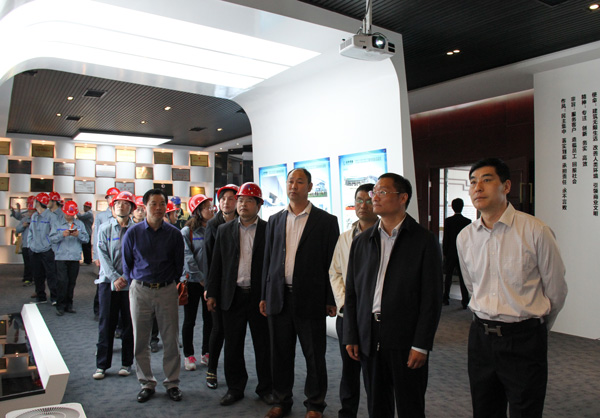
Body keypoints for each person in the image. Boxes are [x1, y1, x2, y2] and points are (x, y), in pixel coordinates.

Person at [457, 158, 568, 418]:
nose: (477, 188)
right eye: (473, 182)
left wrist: (535, 328)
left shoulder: (536, 230)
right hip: (481, 339)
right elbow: (472, 287)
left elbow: (556, 289)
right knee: (484, 410)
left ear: (506, 186)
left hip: (524, 340)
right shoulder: (465, 237)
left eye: (486, 180)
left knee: (525, 410)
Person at [343, 173, 443, 418]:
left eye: (382, 192)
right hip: (369, 335)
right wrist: (352, 334)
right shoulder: (362, 241)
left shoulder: (423, 240)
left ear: (403, 198)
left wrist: (421, 344)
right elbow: (352, 294)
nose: (374, 197)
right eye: (374, 192)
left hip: (405, 337)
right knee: (377, 406)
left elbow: (431, 299)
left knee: (410, 406)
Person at [260, 168, 339, 418]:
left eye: (300, 182)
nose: (293, 186)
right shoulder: (275, 219)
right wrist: (264, 294)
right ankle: (281, 400)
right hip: (279, 297)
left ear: (310, 187)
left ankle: (315, 404)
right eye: (290, 181)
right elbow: (268, 260)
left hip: (311, 298)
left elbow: (332, 263)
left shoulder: (326, 221)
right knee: (280, 354)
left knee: (314, 355)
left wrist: (330, 298)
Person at [206, 182, 273, 407]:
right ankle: (235, 388)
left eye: (249, 201)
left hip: (259, 298)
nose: (243, 204)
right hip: (232, 295)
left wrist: (269, 295)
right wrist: (212, 293)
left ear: (259, 205)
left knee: (263, 345)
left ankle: (265, 388)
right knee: (233, 345)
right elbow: (216, 265)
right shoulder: (224, 230)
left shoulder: (268, 230)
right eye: (240, 200)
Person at [122, 189, 184, 403]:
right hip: (140, 290)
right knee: (141, 340)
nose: (158, 208)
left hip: (167, 289)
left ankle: (172, 382)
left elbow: (178, 265)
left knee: (171, 339)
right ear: (144, 206)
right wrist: (135, 283)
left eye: (162, 204)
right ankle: (146, 383)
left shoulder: (174, 234)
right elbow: (127, 263)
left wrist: (169, 282)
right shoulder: (133, 233)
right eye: (153, 204)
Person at [329, 183, 377, 418]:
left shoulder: (385, 235)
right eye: (359, 200)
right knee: (349, 370)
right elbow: (335, 272)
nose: (363, 205)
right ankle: (347, 413)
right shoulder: (345, 237)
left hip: (373, 317)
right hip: (347, 316)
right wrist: (343, 303)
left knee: (374, 373)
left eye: (368, 200)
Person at [93, 191, 136, 380]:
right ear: (112, 206)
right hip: (107, 283)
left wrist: (125, 277)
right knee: (106, 324)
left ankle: (127, 363)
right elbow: (102, 254)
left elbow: (137, 256)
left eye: (126, 203)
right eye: (118, 203)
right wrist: (114, 278)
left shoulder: (136, 230)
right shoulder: (104, 228)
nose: (121, 206)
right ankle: (102, 365)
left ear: (131, 208)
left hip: (129, 283)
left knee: (128, 324)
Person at [203, 184, 239, 389]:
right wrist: (210, 288)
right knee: (218, 330)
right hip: (219, 285)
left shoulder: (243, 221)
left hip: (239, 286)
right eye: (223, 198)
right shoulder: (213, 224)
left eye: (231, 198)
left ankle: (233, 374)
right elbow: (208, 259)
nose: (226, 202)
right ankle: (212, 370)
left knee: (235, 333)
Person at [180, 193, 214, 372]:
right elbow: (187, 257)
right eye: (207, 207)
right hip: (193, 282)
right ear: (198, 211)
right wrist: (201, 278)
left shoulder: (215, 228)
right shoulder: (187, 232)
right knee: (190, 320)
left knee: (209, 319)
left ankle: (206, 352)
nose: (211, 210)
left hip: (210, 282)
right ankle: (189, 355)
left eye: (211, 206)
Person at [49, 201, 89, 316]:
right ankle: (60, 305)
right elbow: (52, 239)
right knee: (62, 281)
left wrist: (78, 235)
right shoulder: (57, 223)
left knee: (72, 282)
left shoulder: (80, 224)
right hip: (61, 256)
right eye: (67, 214)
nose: (69, 216)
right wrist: (62, 235)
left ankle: (69, 305)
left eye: (71, 214)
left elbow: (86, 239)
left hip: (74, 257)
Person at [93, 187, 120, 319]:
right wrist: (96, 255)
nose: (112, 199)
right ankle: (98, 310)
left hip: (118, 255)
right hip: (104, 254)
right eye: (110, 197)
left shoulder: (123, 215)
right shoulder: (101, 216)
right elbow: (96, 237)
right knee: (103, 282)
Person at [28, 193, 58, 304]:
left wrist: (49, 246)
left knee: (51, 275)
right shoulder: (34, 216)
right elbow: (31, 232)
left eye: (35, 201)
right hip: (34, 250)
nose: (34, 203)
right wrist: (31, 245)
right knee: (37, 275)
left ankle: (54, 297)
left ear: (39, 202)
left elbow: (54, 233)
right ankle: (41, 297)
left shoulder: (51, 216)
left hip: (47, 251)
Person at [442, 198, 471, 308]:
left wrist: (444, 252)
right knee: (463, 277)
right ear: (462, 207)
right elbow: (468, 240)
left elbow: (446, 238)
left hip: (450, 252)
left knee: (448, 276)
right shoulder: (467, 221)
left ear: (452, 207)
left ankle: (446, 297)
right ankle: (465, 300)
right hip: (462, 253)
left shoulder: (448, 221)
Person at [15, 198, 36, 286]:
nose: (30, 213)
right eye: (29, 211)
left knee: (35, 263)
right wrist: (23, 226)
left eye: (32, 212)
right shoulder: (24, 219)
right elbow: (17, 230)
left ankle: (35, 278)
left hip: (35, 246)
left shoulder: (39, 220)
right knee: (27, 263)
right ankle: (27, 278)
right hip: (26, 245)